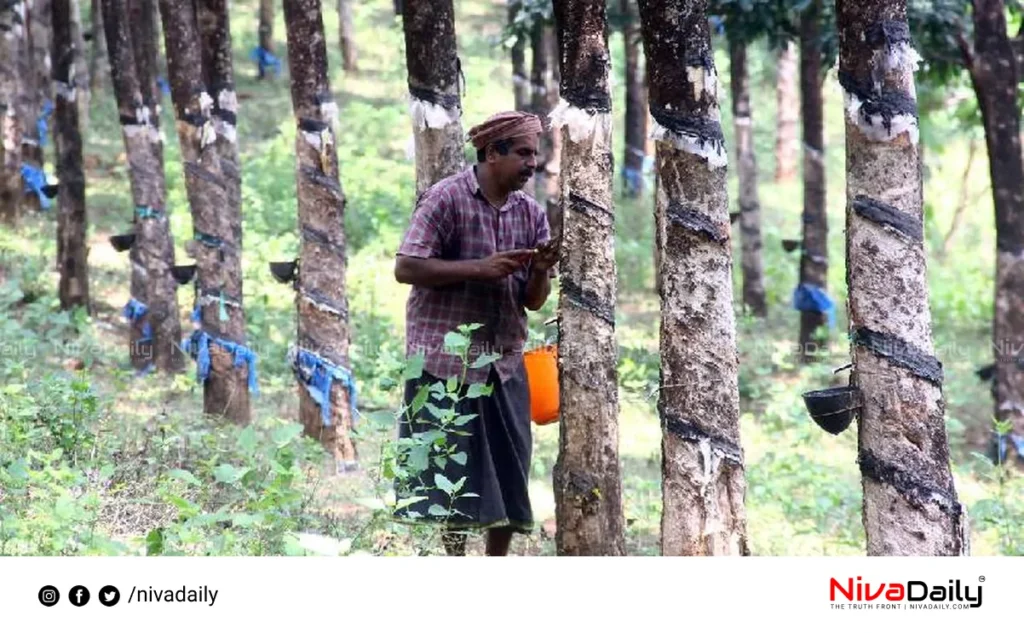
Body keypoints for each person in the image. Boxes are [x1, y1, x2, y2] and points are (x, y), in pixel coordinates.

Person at [392, 111, 558, 556]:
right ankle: (455, 560)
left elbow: (534, 301)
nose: (532, 163)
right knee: (455, 473)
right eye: (523, 153)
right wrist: (479, 269)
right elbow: (406, 267)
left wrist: (540, 271)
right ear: (492, 153)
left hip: (503, 362)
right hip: (445, 362)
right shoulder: (445, 199)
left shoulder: (531, 214)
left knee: (509, 468)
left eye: (534, 153)